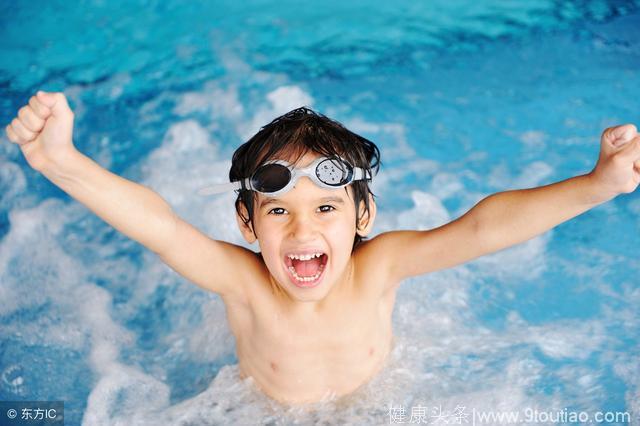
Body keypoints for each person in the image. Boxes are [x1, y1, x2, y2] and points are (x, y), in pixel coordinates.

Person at [5, 91, 640, 404]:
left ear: (363, 215)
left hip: (373, 404)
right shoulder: (243, 281)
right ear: (248, 226)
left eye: (327, 209)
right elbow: (161, 227)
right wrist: (62, 162)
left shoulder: (380, 266)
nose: (303, 232)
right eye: (278, 211)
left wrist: (595, 186)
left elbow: (479, 230)